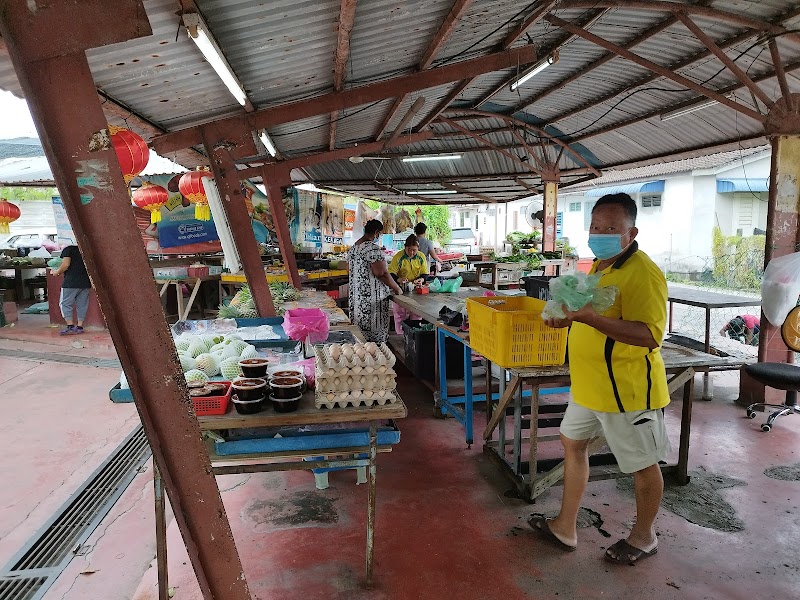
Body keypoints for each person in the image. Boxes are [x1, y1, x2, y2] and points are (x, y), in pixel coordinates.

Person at [537, 193, 670, 565]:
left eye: (612, 228)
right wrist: (564, 319)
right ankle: (565, 526)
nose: (600, 234)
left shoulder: (643, 272)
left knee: (643, 464)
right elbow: (585, 314)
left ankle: (644, 537)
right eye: (596, 227)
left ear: (631, 232)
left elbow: (650, 334)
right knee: (572, 441)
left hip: (626, 391)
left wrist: (590, 318)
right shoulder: (599, 266)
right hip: (590, 386)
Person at [347, 220, 402, 343]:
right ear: (376, 232)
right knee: (374, 344)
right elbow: (381, 273)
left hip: (357, 302)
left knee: (360, 340)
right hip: (372, 304)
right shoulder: (372, 249)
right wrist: (396, 288)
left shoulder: (353, 249)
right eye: (380, 234)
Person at [388, 234, 429, 335]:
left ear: (418, 249)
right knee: (399, 315)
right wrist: (399, 279)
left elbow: (425, 273)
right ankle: (400, 335)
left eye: (414, 250)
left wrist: (421, 279)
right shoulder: (398, 257)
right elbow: (390, 273)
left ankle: (414, 336)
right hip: (400, 290)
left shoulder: (421, 256)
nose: (411, 252)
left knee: (416, 314)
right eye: (409, 249)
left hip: (416, 290)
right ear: (405, 247)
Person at [49, 244, 92, 335]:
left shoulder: (68, 249)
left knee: (65, 303)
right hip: (85, 281)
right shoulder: (87, 248)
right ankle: (80, 326)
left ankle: (70, 326)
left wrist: (56, 272)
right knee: (82, 304)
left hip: (71, 282)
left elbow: (65, 265)